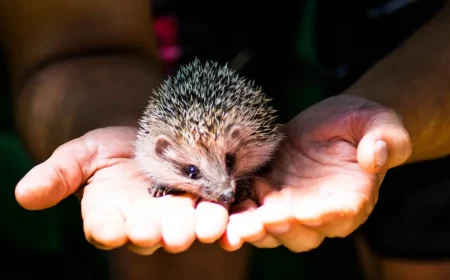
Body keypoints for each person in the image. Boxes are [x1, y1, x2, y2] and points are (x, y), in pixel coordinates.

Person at [3, 1, 450, 280]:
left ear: (241, 140)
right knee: (172, 251)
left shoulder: (246, 140)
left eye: (231, 161)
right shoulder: (154, 151)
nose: (221, 187)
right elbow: (76, 45)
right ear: (159, 155)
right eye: (191, 173)